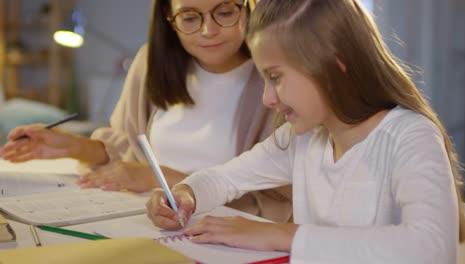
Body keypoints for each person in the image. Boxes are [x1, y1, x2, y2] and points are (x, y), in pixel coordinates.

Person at [146, 0, 465, 263]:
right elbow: (225, 178)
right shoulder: (300, 140)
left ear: (333, 63)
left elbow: (432, 249)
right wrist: (187, 194)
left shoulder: (410, 137)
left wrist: (281, 234)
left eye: (275, 77)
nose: (267, 98)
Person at [0, 0, 292, 223]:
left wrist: (162, 178)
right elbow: (127, 153)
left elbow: (279, 198)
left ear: (248, 6)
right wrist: (72, 145)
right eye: (189, 17)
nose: (208, 30)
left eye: (226, 12)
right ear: (169, 18)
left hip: (225, 230)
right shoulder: (150, 63)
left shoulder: (276, 80)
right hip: (138, 217)